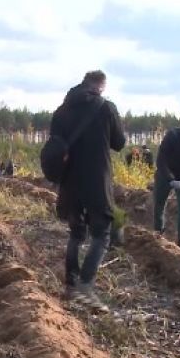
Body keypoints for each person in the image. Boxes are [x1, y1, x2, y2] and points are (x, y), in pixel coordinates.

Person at [51, 70, 126, 313]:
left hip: (70, 181)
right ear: (101, 86)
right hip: (96, 180)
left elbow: (55, 146)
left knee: (76, 233)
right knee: (102, 234)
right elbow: (119, 142)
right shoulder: (105, 107)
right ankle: (85, 287)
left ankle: (71, 285)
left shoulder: (61, 111)